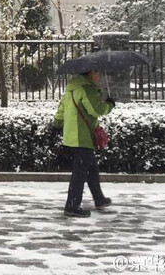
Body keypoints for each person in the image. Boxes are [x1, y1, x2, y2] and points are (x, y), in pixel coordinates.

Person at [54, 70, 115, 218]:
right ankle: (72, 206)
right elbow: (96, 110)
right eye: (96, 72)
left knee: (91, 168)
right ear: (89, 74)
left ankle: (99, 198)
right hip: (82, 137)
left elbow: (61, 111)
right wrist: (109, 104)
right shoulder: (87, 89)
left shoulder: (71, 89)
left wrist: (56, 124)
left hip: (71, 136)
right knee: (80, 173)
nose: (98, 75)